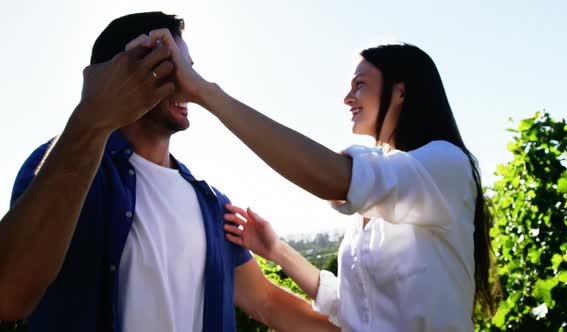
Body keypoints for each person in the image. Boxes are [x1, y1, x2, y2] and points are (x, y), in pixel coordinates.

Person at [131, 30, 498, 331]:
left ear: (400, 92)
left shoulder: (445, 165)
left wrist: (205, 92)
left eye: (360, 85)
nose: (347, 98)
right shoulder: (382, 196)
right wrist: (277, 251)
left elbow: (335, 180)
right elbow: (350, 310)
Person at [0, 12, 338, 332]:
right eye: (177, 67)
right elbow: (8, 294)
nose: (190, 85)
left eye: (191, 70)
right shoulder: (63, 162)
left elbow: (266, 301)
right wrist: (92, 118)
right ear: (127, 69)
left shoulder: (212, 204)